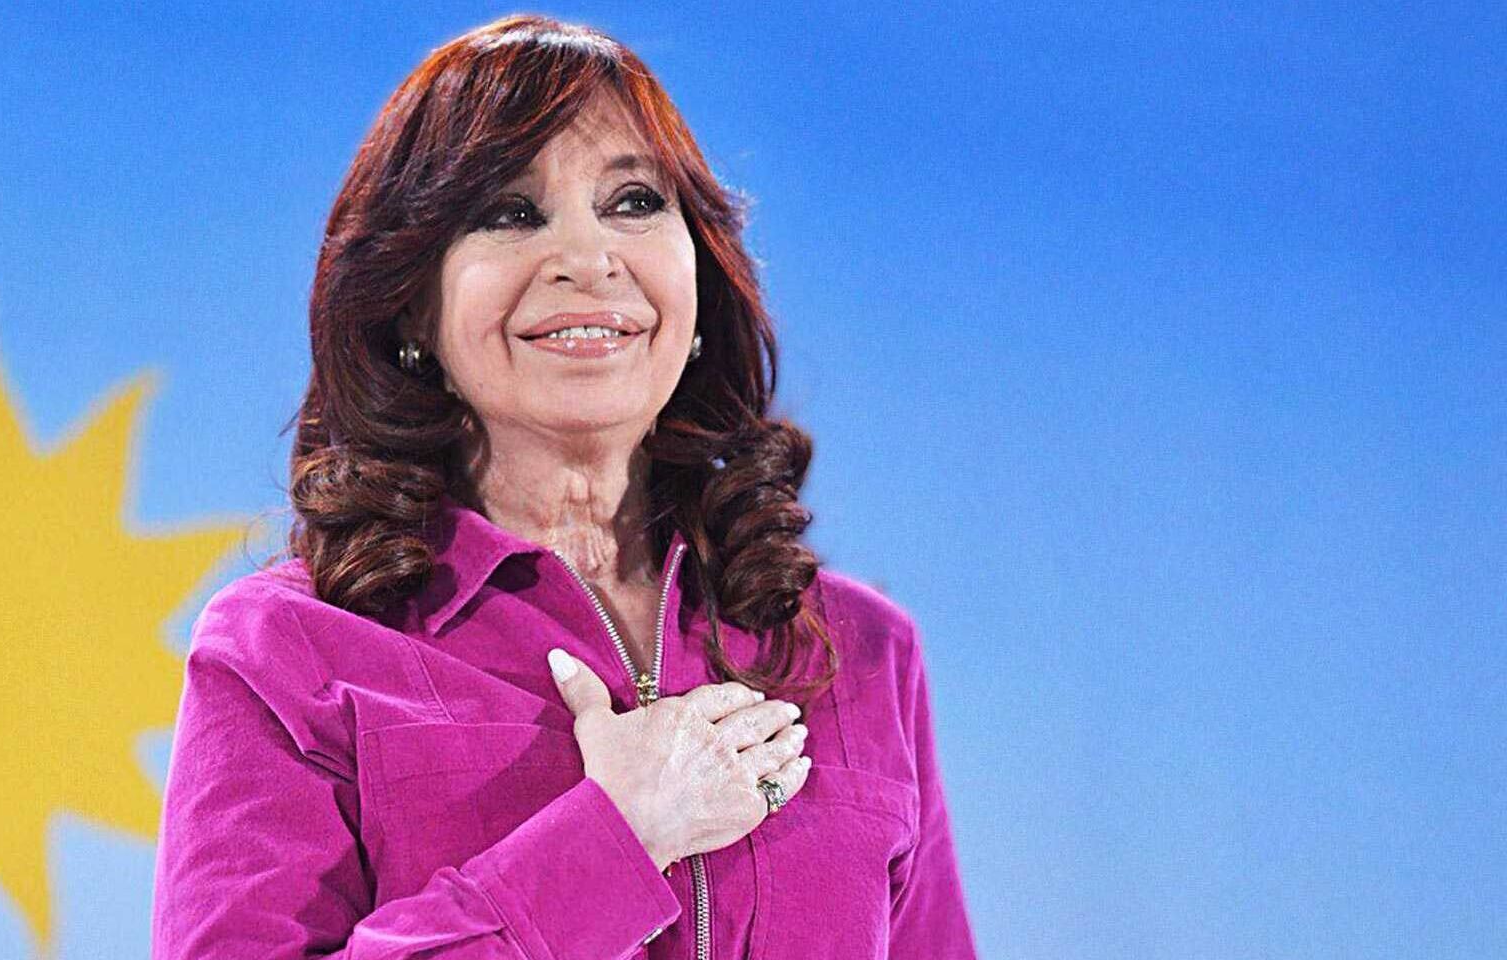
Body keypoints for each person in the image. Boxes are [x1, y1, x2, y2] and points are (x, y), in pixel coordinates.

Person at [150, 13, 978, 960]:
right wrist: (617, 839)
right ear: (411, 305)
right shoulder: (289, 651)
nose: (588, 260)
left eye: (634, 201)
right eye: (510, 213)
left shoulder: (859, 651)